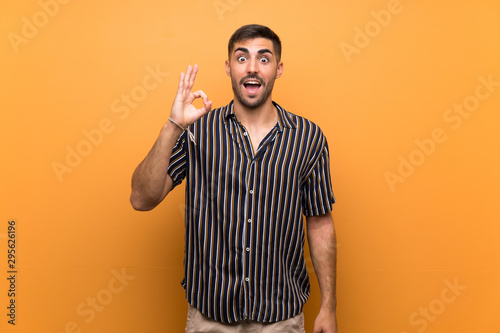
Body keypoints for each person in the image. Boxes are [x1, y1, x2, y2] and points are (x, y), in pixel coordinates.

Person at [130, 24, 338, 333]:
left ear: (278, 69)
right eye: (242, 58)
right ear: (229, 67)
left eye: (263, 59)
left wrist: (328, 307)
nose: (252, 68)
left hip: (281, 318)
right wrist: (174, 125)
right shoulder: (198, 131)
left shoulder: (308, 137)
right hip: (209, 318)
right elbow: (141, 199)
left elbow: (320, 223)